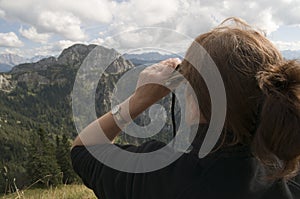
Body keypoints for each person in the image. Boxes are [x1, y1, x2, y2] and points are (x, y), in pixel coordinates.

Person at [71, 17, 300, 199]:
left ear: (193, 95)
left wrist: (140, 99)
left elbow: (83, 149)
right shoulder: (288, 172)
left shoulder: (156, 175)